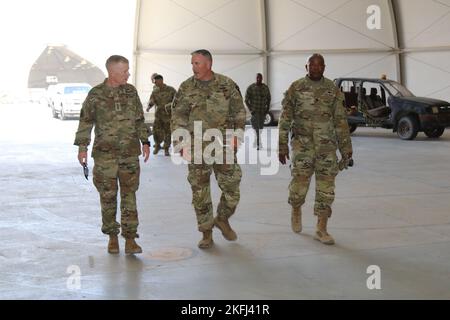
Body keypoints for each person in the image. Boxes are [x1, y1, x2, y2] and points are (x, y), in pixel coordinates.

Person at [74, 55, 150, 254]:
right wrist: (82, 147)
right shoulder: (95, 94)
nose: (128, 74)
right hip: (105, 156)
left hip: (129, 155)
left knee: (129, 196)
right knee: (108, 197)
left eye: (128, 70)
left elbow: (140, 119)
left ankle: (131, 239)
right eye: (124, 71)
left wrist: (145, 141)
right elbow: (85, 122)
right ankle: (112, 237)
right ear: (112, 72)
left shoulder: (131, 92)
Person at [171, 49, 246, 249]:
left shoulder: (226, 85)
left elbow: (239, 112)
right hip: (196, 148)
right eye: (192, 63)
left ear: (209, 64)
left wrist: (237, 136)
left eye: (197, 63)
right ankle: (206, 233)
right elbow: (178, 116)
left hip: (223, 146)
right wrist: (181, 143)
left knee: (232, 187)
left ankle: (222, 218)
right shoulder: (186, 87)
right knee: (200, 192)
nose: (193, 67)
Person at [278, 53, 353, 245]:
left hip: (327, 148)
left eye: (320, 66)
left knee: (326, 189)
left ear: (324, 68)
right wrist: (282, 146)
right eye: (313, 65)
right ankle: (296, 209)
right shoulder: (296, 88)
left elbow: (340, 121)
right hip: (302, 147)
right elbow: (285, 119)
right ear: (307, 67)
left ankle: (322, 227)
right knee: (299, 186)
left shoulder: (332, 90)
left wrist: (346, 149)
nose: (316, 68)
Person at [146, 74, 176, 156]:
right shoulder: (155, 91)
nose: (155, 83)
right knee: (156, 131)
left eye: (156, 81)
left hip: (168, 115)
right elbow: (152, 100)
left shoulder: (171, 90)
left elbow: (176, 100)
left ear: (161, 80)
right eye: (154, 82)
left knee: (167, 132)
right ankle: (157, 146)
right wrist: (148, 107)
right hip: (158, 115)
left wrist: (170, 106)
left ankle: (166, 148)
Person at [245, 73, 271, 150]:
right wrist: (250, 109)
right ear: (255, 78)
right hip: (254, 112)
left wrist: (267, 108)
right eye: (257, 78)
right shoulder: (251, 88)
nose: (259, 79)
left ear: (262, 78)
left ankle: (256, 140)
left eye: (260, 78)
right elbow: (246, 100)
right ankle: (258, 143)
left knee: (261, 127)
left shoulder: (265, 88)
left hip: (262, 111)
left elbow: (269, 98)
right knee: (256, 128)